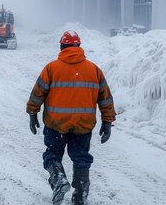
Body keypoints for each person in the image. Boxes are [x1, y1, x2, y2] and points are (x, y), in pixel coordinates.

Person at [26, 30, 116, 205]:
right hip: (83, 125)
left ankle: (59, 180)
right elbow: (105, 97)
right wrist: (107, 122)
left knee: (52, 154)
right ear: (78, 47)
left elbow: (38, 93)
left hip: (56, 124)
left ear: (62, 46)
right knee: (81, 157)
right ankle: (80, 196)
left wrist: (32, 113)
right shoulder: (93, 69)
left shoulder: (52, 68)